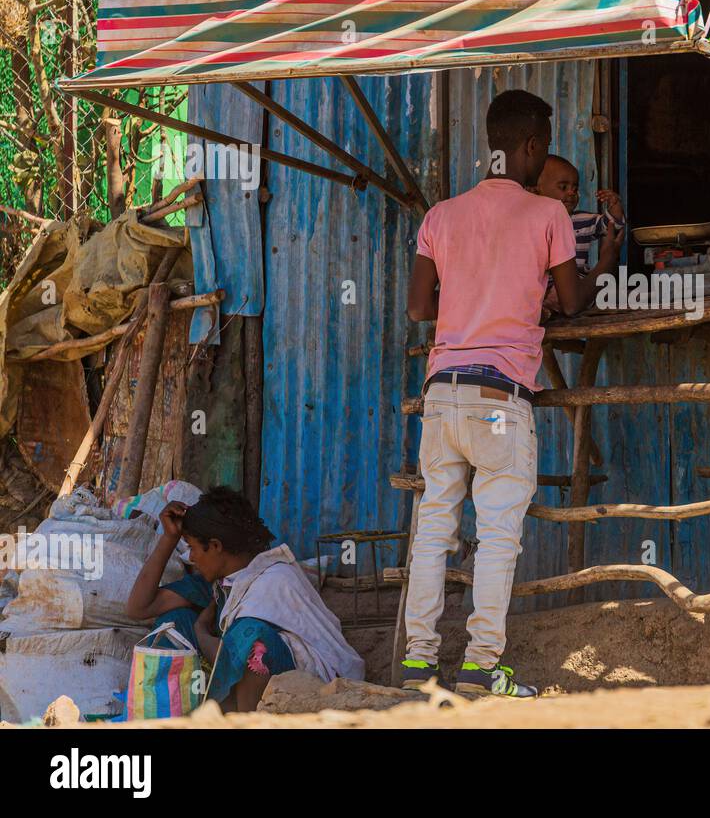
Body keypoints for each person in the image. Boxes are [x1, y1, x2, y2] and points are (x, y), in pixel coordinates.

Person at [403, 89, 619, 698]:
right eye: (544, 148)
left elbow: (421, 307)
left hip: (442, 398)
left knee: (433, 529)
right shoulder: (546, 217)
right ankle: (478, 668)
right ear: (529, 147)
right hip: (499, 405)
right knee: (498, 533)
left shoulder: (441, 216)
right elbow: (572, 302)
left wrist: (471, 304)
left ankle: (417, 664)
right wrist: (606, 257)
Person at [126, 486, 365, 713]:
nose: (191, 556)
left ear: (216, 546)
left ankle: (246, 722)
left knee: (252, 637)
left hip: (305, 685)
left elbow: (235, 654)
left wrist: (201, 632)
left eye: (193, 547)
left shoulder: (274, 580)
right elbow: (139, 607)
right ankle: (174, 714)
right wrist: (169, 537)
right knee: (175, 622)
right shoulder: (222, 583)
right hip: (237, 684)